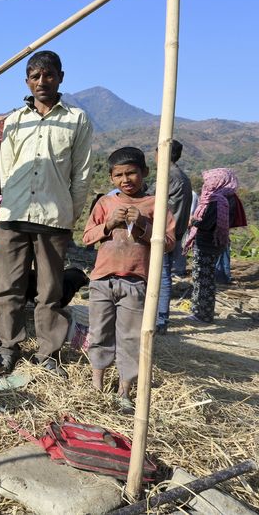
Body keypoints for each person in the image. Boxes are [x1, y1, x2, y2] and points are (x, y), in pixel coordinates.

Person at [0, 50, 92, 376]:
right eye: (35, 76)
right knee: (8, 288)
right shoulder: (14, 120)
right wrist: (11, 202)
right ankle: (8, 347)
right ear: (27, 81)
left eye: (48, 75)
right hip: (14, 213)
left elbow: (82, 174)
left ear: (60, 77)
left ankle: (48, 354)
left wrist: (69, 213)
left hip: (54, 218)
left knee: (49, 292)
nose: (42, 82)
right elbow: (6, 171)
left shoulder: (76, 119)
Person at [83, 147, 175, 413]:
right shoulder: (105, 204)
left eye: (131, 173)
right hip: (102, 280)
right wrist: (109, 224)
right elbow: (87, 237)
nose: (126, 180)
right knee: (99, 332)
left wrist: (144, 225)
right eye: (119, 175)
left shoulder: (156, 205)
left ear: (144, 172)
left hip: (135, 282)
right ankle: (96, 385)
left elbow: (168, 243)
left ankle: (124, 390)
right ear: (111, 178)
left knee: (130, 338)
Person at [185, 168, 246, 323]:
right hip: (215, 243)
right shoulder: (229, 197)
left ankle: (203, 314)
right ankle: (200, 311)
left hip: (207, 243)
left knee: (204, 279)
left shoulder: (217, 200)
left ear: (218, 181)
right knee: (205, 277)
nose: (207, 184)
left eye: (209, 181)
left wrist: (193, 221)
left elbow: (207, 224)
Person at [151, 140, 192, 335]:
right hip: (175, 231)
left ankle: (160, 319)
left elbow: (150, 199)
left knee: (163, 275)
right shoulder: (182, 176)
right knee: (162, 274)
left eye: (157, 152)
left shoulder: (167, 176)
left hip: (164, 232)